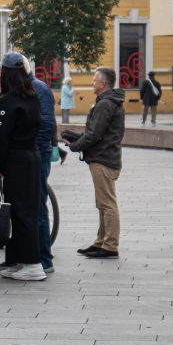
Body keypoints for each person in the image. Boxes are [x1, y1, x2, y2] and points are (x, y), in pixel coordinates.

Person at [0, 54, 45, 281]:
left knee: (21, 214)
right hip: (31, 157)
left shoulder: (7, 101)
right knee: (23, 212)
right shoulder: (31, 97)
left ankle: (32, 264)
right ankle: (17, 260)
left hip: (16, 162)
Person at [63, 67, 125, 259]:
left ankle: (110, 245)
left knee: (107, 204)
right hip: (105, 157)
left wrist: (75, 146)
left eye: (94, 80)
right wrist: (76, 139)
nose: (92, 82)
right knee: (102, 204)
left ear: (103, 84)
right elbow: (97, 132)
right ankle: (101, 242)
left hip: (103, 159)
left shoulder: (105, 104)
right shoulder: (108, 103)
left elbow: (94, 135)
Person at [31, 65, 59, 274]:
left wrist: (35, 152)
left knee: (38, 204)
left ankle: (44, 258)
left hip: (36, 155)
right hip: (29, 155)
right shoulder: (21, 87)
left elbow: (46, 125)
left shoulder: (38, 88)